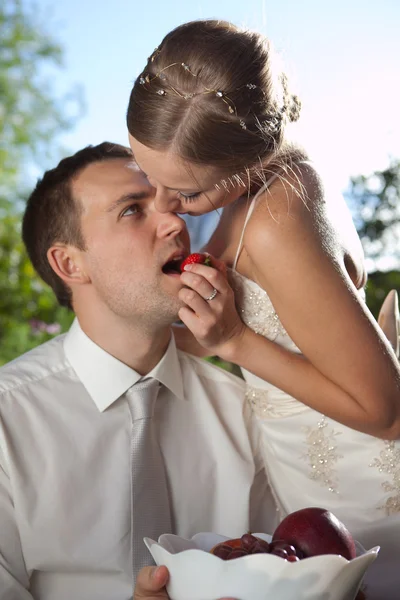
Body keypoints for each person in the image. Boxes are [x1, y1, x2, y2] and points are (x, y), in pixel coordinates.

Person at [126, 20, 400, 598]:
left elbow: (385, 411)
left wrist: (233, 343)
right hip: (309, 476)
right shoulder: (284, 176)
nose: (164, 205)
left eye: (188, 192)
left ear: (247, 158)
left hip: (355, 485)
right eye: (147, 175)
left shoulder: (275, 222)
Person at [0, 142, 278, 600]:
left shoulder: (245, 411)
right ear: (70, 263)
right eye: (133, 210)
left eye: (171, 204)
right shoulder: (8, 423)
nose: (175, 223)